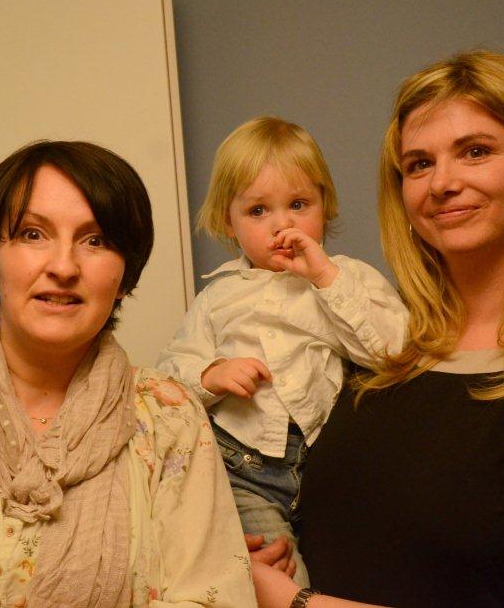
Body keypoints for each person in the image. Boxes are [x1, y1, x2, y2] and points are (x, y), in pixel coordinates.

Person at [252, 50, 504, 607]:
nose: (442, 183)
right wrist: (268, 557)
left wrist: (293, 604)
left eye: (475, 151)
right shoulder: (378, 357)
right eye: (419, 164)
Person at [0, 141, 257, 607]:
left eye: (95, 240)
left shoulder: (169, 417)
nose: (63, 267)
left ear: (124, 278)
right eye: (32, 234)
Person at [156, 116, 408, 585]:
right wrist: (211, 374)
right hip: (244, 471)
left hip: (327, 469)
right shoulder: (218, 297)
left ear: (324, 206)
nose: (283, 224)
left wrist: (325, 278)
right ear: (228, 222)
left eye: (298, 204)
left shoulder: (344, 277)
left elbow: (394, 351)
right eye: (258, 211)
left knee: (362, 569)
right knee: (285, 578)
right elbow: (167, 379)